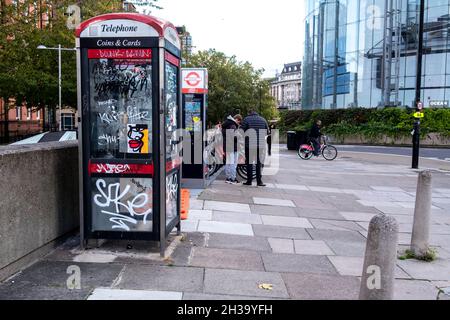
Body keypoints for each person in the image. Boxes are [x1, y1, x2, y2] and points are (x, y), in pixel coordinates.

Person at [241, 110, 269, 187]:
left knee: (249, 163)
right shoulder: (263, 119)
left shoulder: (246, 119)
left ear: (249, 113)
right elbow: (267, 132)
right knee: (258, 163)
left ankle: (249, 181)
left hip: (249, 145)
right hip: (260, 145)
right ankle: (259, 181)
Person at [222, 114, 243, 184]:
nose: (238, 123)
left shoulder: (227, 124)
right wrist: (239, 137)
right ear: (236, 119)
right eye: (239, 122)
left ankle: (228, 178)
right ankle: (232, 179)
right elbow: (233, 137)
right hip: (233, 146)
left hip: (227, 146)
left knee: (228, 162)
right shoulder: (233, 125)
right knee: (233, 163)